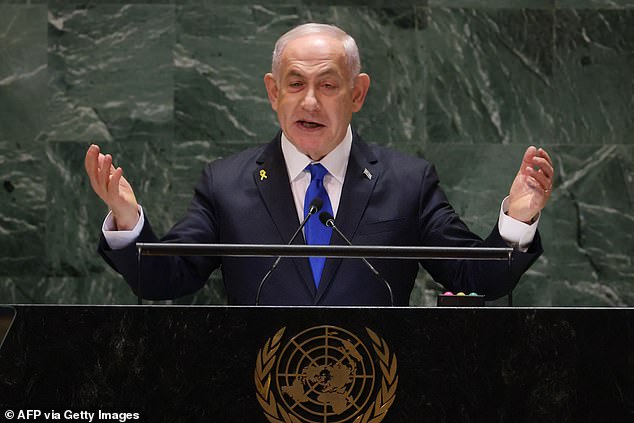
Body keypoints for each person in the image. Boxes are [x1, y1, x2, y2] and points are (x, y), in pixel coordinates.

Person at [85, 23, 554, 306]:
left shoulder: (408, 182)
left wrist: (517, 220)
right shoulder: (225, 184)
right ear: (273, 93)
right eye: (294, 84)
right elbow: (166, 279)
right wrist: (128, 221)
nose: (309, 102)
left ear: (357, 93)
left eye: (328, 85)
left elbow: (474, 276)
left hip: (377, 393)